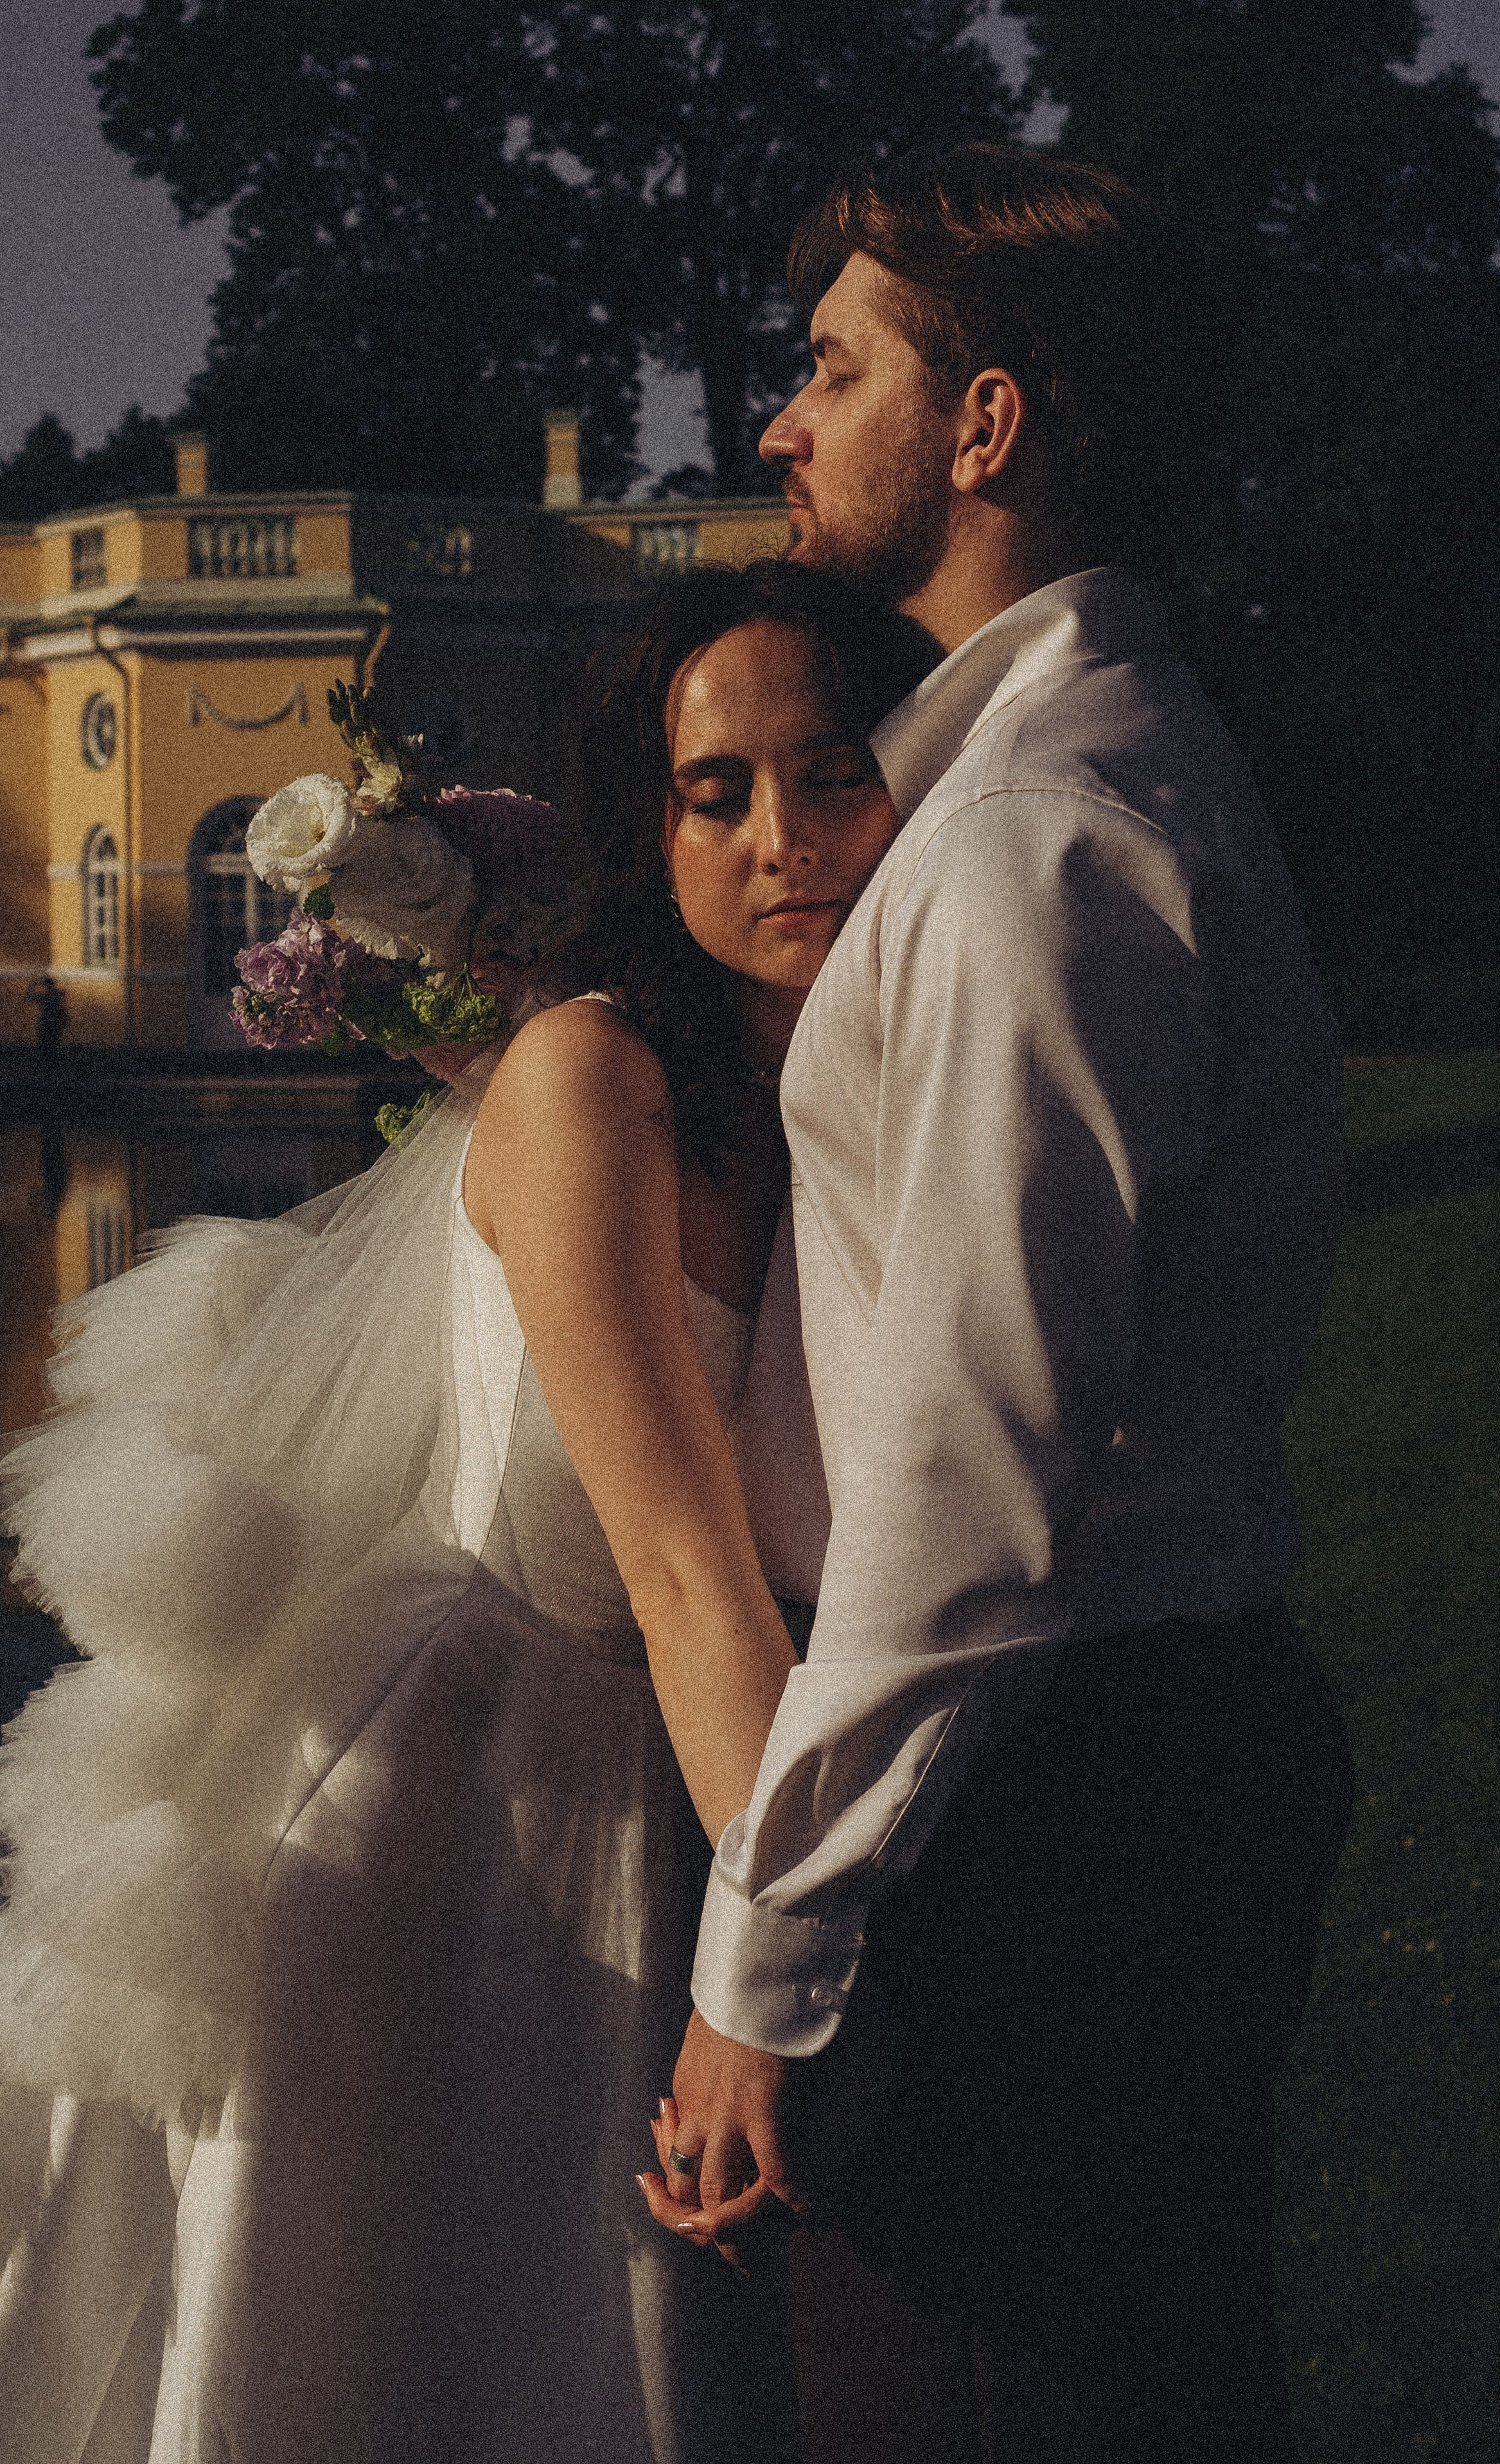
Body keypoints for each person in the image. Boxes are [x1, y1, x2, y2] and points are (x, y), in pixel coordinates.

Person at [0, 562, 926, 2464]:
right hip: (460, 1793)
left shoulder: (792, 1095)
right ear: (646, 830)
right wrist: (812, 1965)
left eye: (834, 771)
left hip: (647, 1766)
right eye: (714, 793)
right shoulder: (590, 1079)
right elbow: (684, 1574)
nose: (784, 840)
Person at [640, 145, 1356, 2463]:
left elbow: (965, 1502)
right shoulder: (1057, 785)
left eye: (833, 370)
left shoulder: (1042, 842)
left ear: (985, 426)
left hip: (1044, 1826)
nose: (782, 423)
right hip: (1103, 1772)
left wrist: (765, 1968)